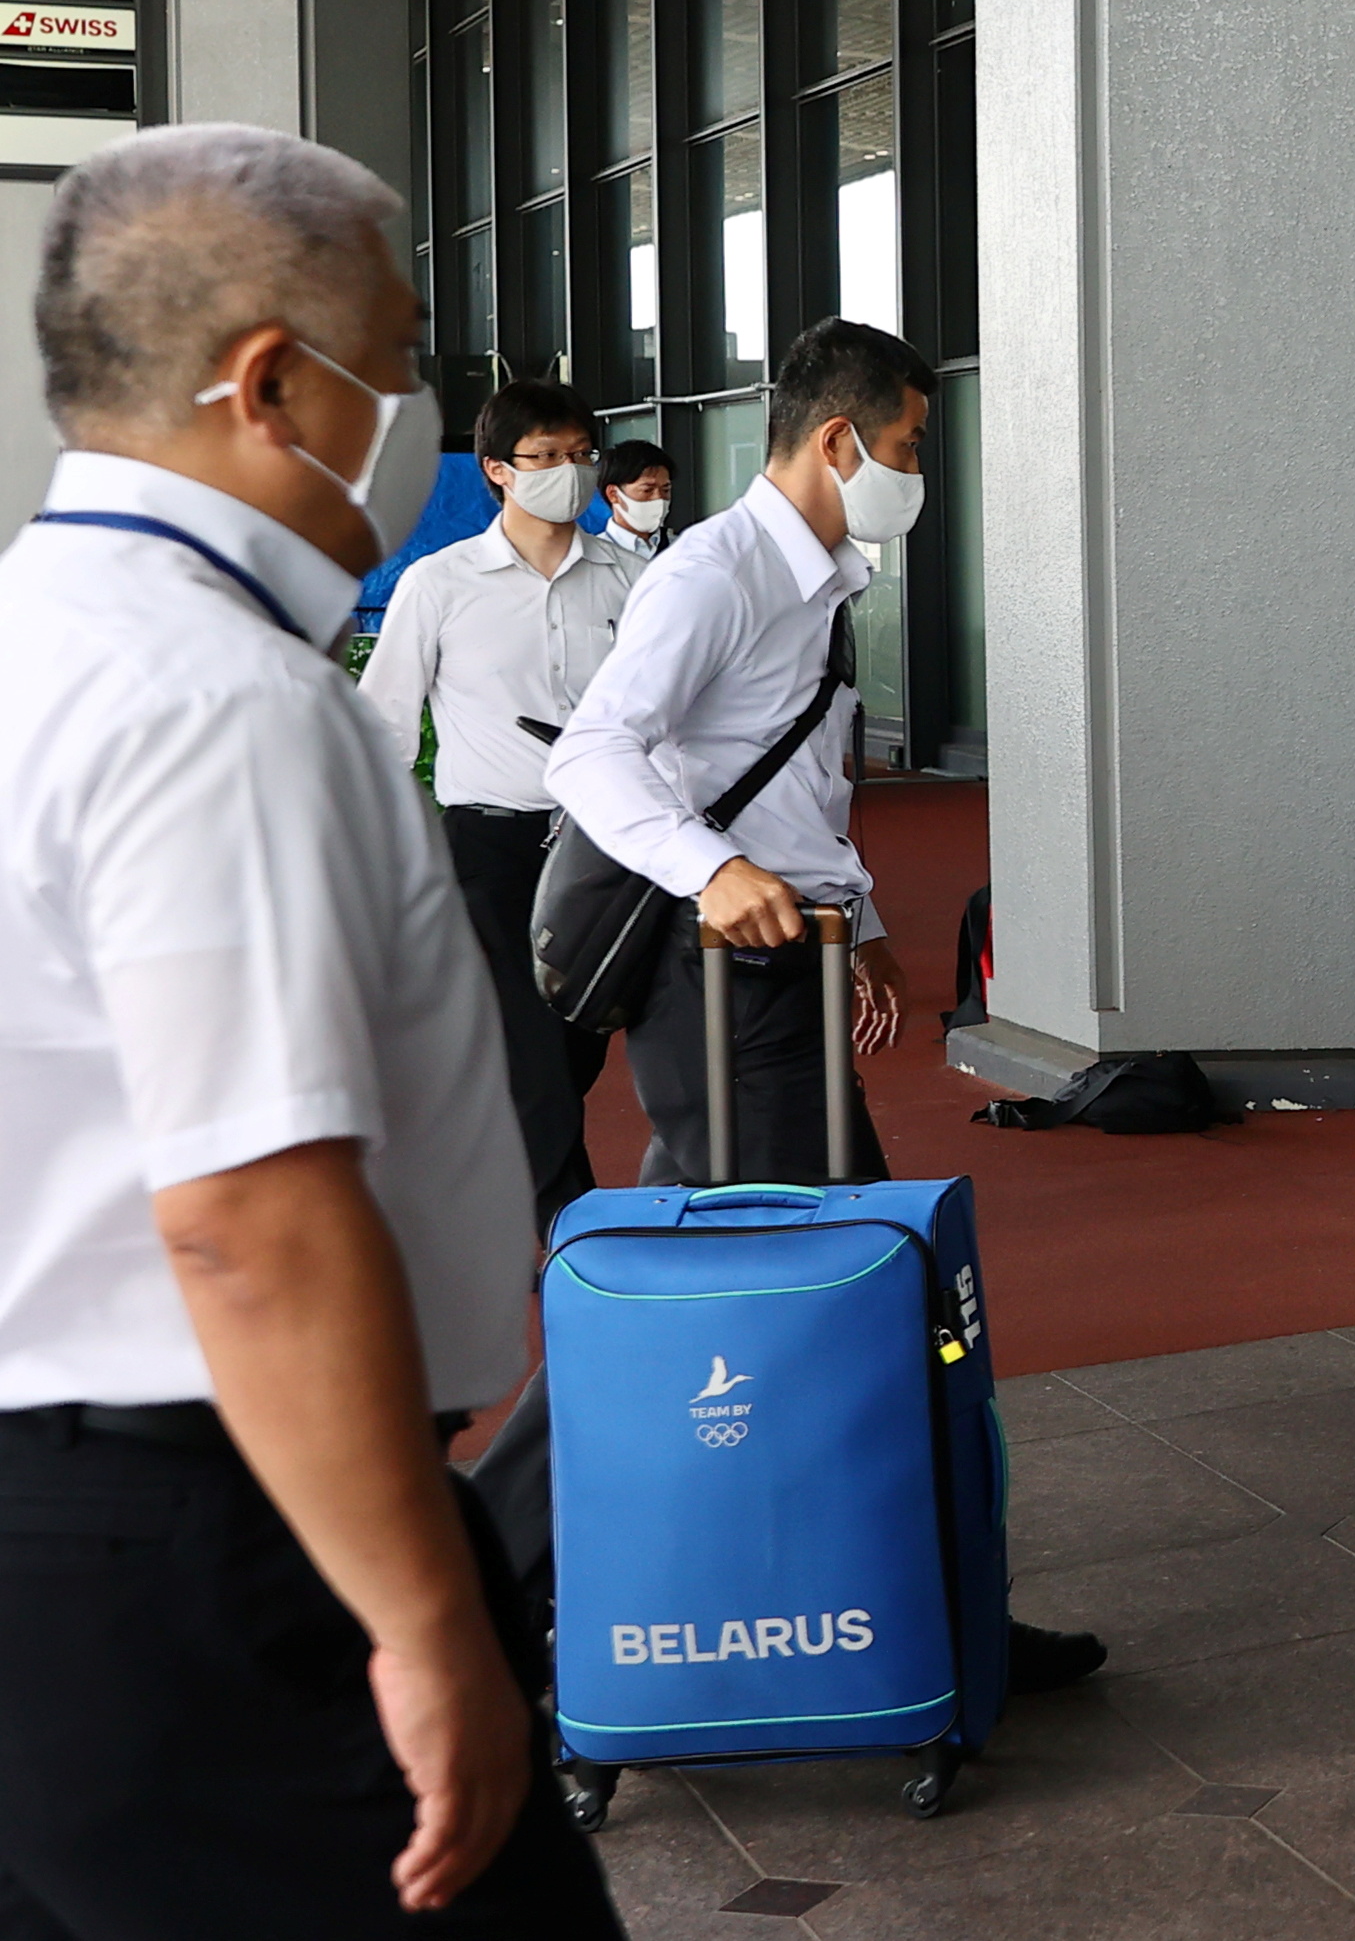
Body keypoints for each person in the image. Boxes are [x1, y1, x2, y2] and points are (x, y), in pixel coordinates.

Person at [0, 124, 620, 1931]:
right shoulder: (217, 698)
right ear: (271, 382)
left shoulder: (41, 633)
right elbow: (252, 1222)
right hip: (213, 1532)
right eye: (404, 355)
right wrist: (430, 1617)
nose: (416, 405)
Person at [540, 315, 1102, 1697]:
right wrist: (714, 867)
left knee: (836, 1281)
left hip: (783, 962)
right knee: (779, 1295)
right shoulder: (715, 575)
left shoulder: (820, 580)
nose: (918, 469)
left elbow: (795, 786)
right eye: (908, 445)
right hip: (709, 974)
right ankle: (531, 1581)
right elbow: (597, 757)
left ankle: (922, 1595)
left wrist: (868, 924)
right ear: (842, 440)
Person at [359, 381, 643, 1238]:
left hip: (605, 848)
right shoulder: (437, 584)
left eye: (581, 455)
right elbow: (382, 726)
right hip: (490, 845)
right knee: (528, 1047)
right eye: (546, 458)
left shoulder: (635, 580)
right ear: (496, 471)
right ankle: (571, 1233)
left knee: (573, 1044)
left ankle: (494, 1180)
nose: (570, 472)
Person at [597, 437, 673, 557]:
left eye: (665, 490)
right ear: (613, 494)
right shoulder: (593, 555)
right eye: (647, 490)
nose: (659, 498)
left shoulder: (685, 550)